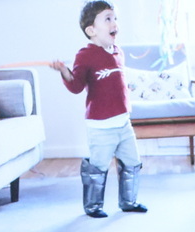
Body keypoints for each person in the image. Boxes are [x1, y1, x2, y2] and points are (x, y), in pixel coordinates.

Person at [52, 1, 146, 218]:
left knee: (133, 162)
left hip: (124, 123)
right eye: (107, 19)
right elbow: (76, 86)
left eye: (115, 18)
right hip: (101, 127)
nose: (114, 23)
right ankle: (93, 206)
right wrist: (65, 72)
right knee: (98, 166)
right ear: (91, 30)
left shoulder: (118, 52)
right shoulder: (85, 55)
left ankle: (129, 201)